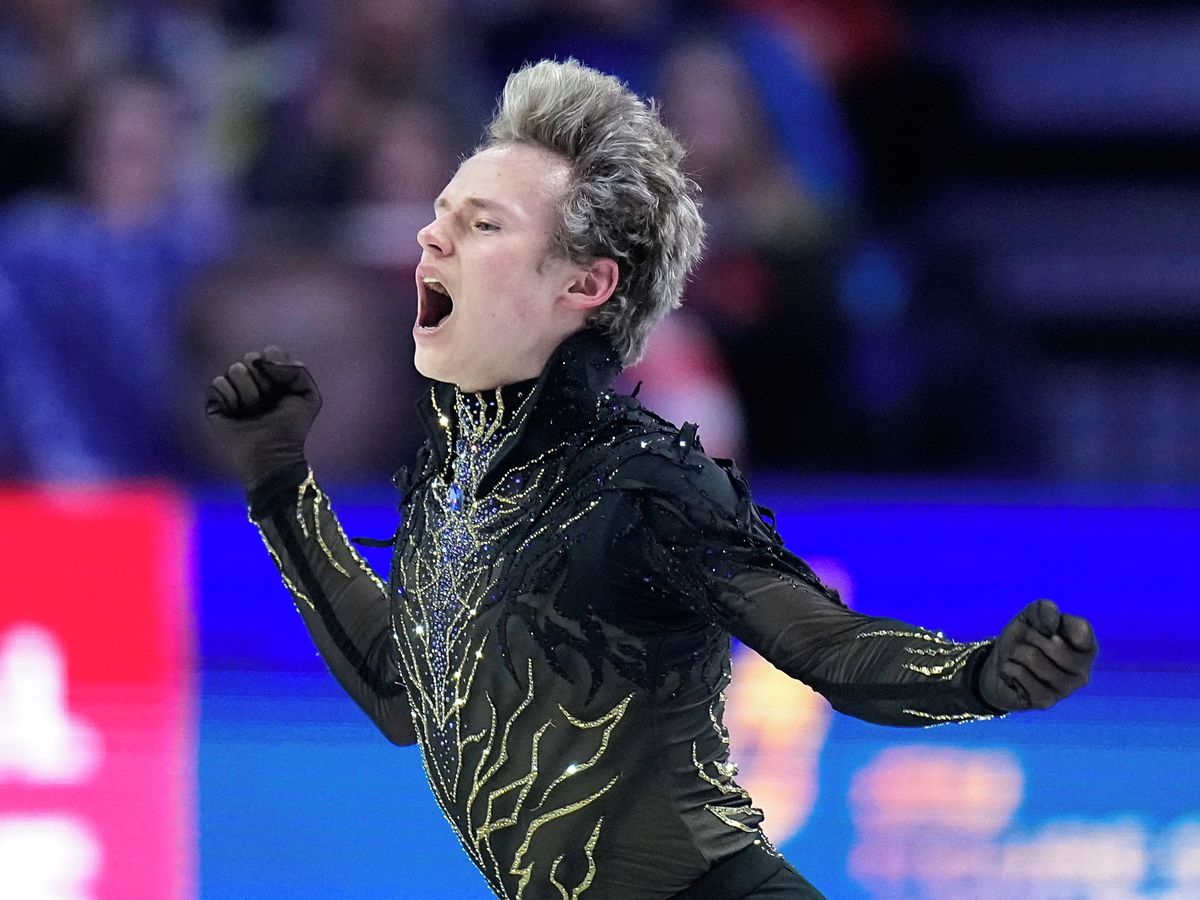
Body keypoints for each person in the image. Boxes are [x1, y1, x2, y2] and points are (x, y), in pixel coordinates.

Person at [205, 60, 1097, 899]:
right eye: (444, 214)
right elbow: (405, 696)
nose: (430, 237)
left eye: (482, 226)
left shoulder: (645, 483)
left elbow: (823, 647)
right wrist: (280, 484)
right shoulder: (457, 481)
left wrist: (977, 677)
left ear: (583, 285)